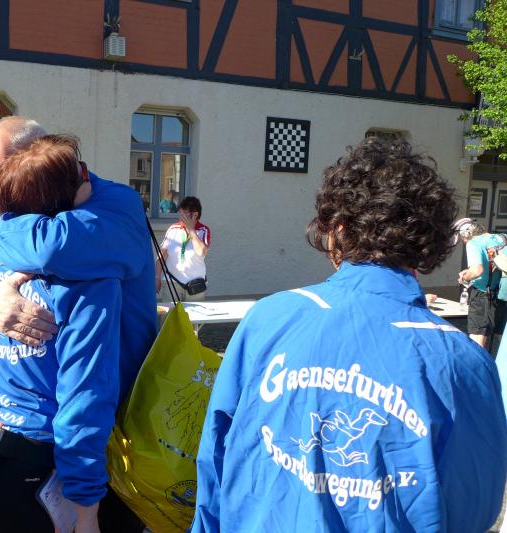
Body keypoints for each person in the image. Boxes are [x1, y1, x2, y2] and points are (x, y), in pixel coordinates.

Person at [191, 138, 507, 532]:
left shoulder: (268, 319)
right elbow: (475, 507)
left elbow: (214, 464)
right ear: (425, 241)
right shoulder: (463, 362)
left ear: (337, 229)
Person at [0, 116, 156, 531]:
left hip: (119, 424)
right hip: (12, 439)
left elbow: (55, 246)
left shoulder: (112, 207)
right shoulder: (23, 220)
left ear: (32, 162)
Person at [453, 217, 504, 348]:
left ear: (466, 233)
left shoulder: (474, 243)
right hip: (501, 293)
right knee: (498, 339)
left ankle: (477, 362)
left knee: (477, 339)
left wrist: (465, 277)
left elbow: (477, 270)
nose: (464, 241)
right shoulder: (501, 238)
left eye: (462, 238)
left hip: (483, 295)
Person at [156, 196, 211, 301]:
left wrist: (191, 229)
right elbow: (161, 256)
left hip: (195, 285)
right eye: (180, 213)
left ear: (195, 215)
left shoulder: (203, 230)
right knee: (170, 312)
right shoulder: (173, 229)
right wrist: (157, 277)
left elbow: (201, 252)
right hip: (172, 283)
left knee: (194, 312)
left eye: (185, 213)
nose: (181, 216)